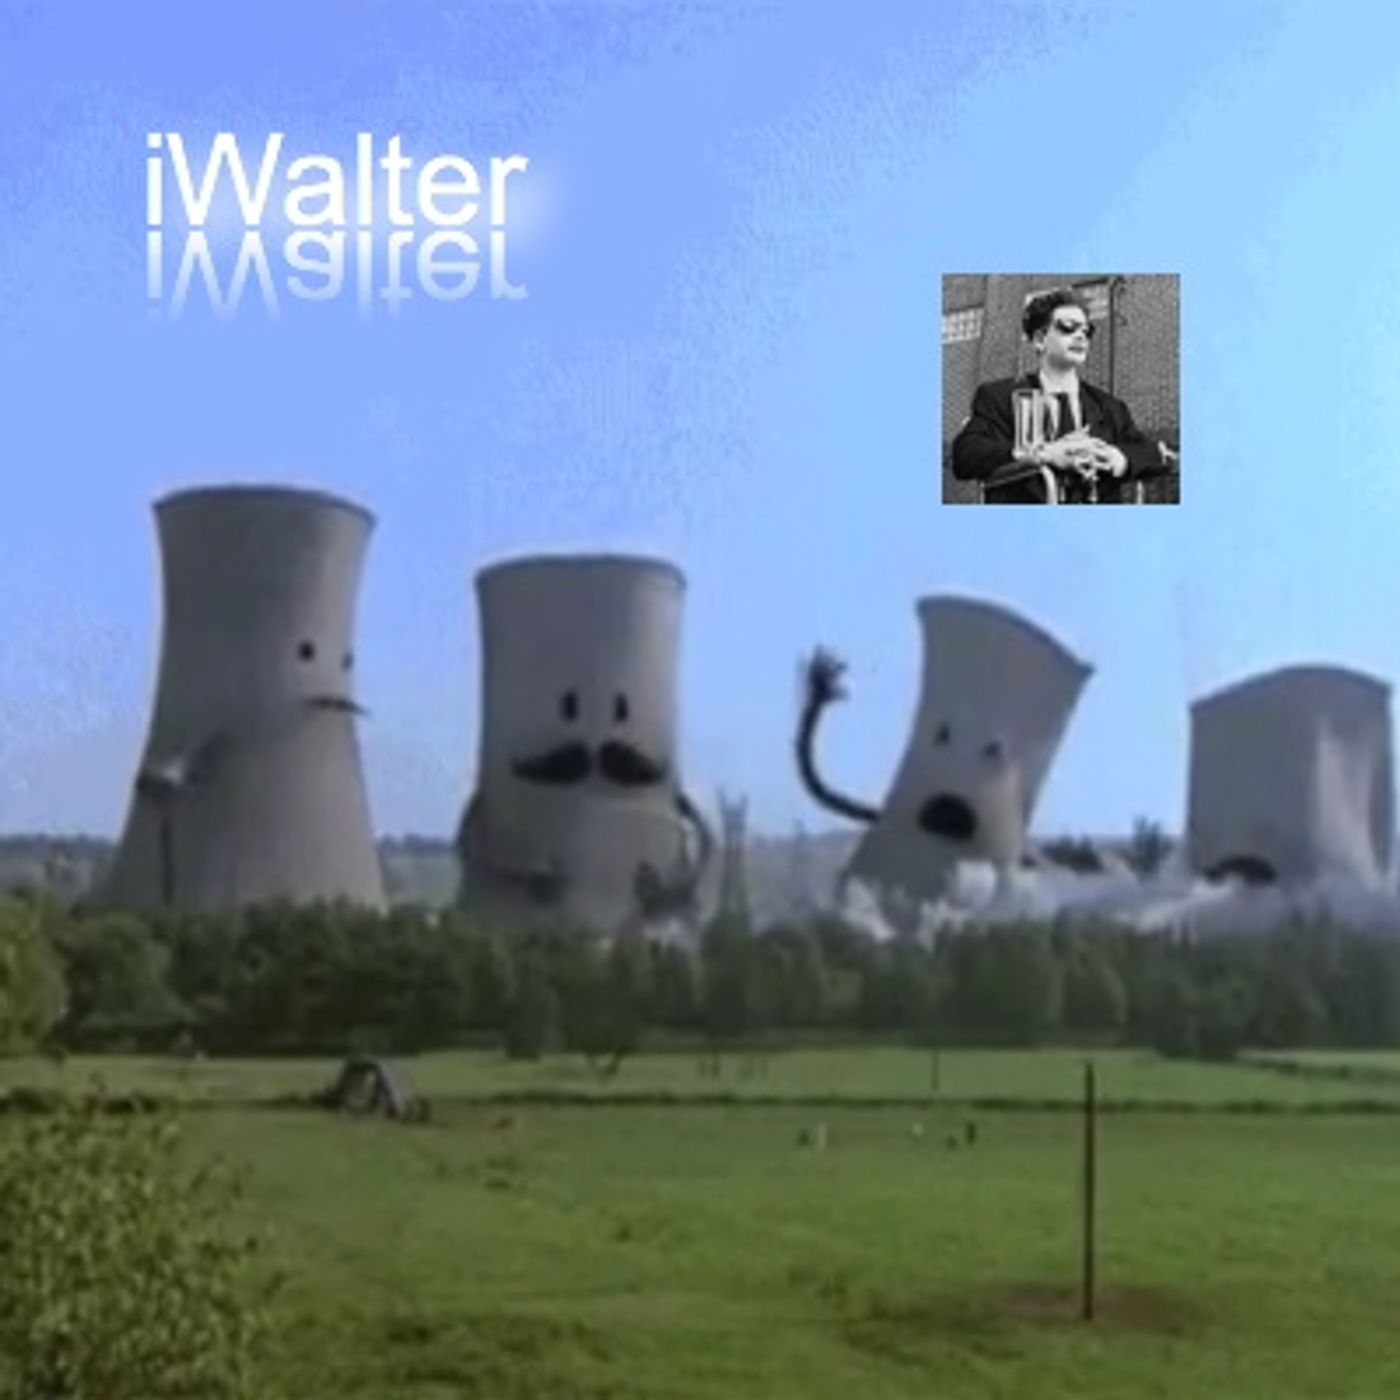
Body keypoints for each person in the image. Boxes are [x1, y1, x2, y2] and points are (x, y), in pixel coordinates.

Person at [950, 288, 1168, 504]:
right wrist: (1043, 454)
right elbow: (965, 455)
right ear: (1040, 340)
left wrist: (1116, 458)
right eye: (1068, 327)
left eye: (1087, 331)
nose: (1080, 336)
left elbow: (1153, 454)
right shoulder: (999, 397)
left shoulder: (1110, 406)